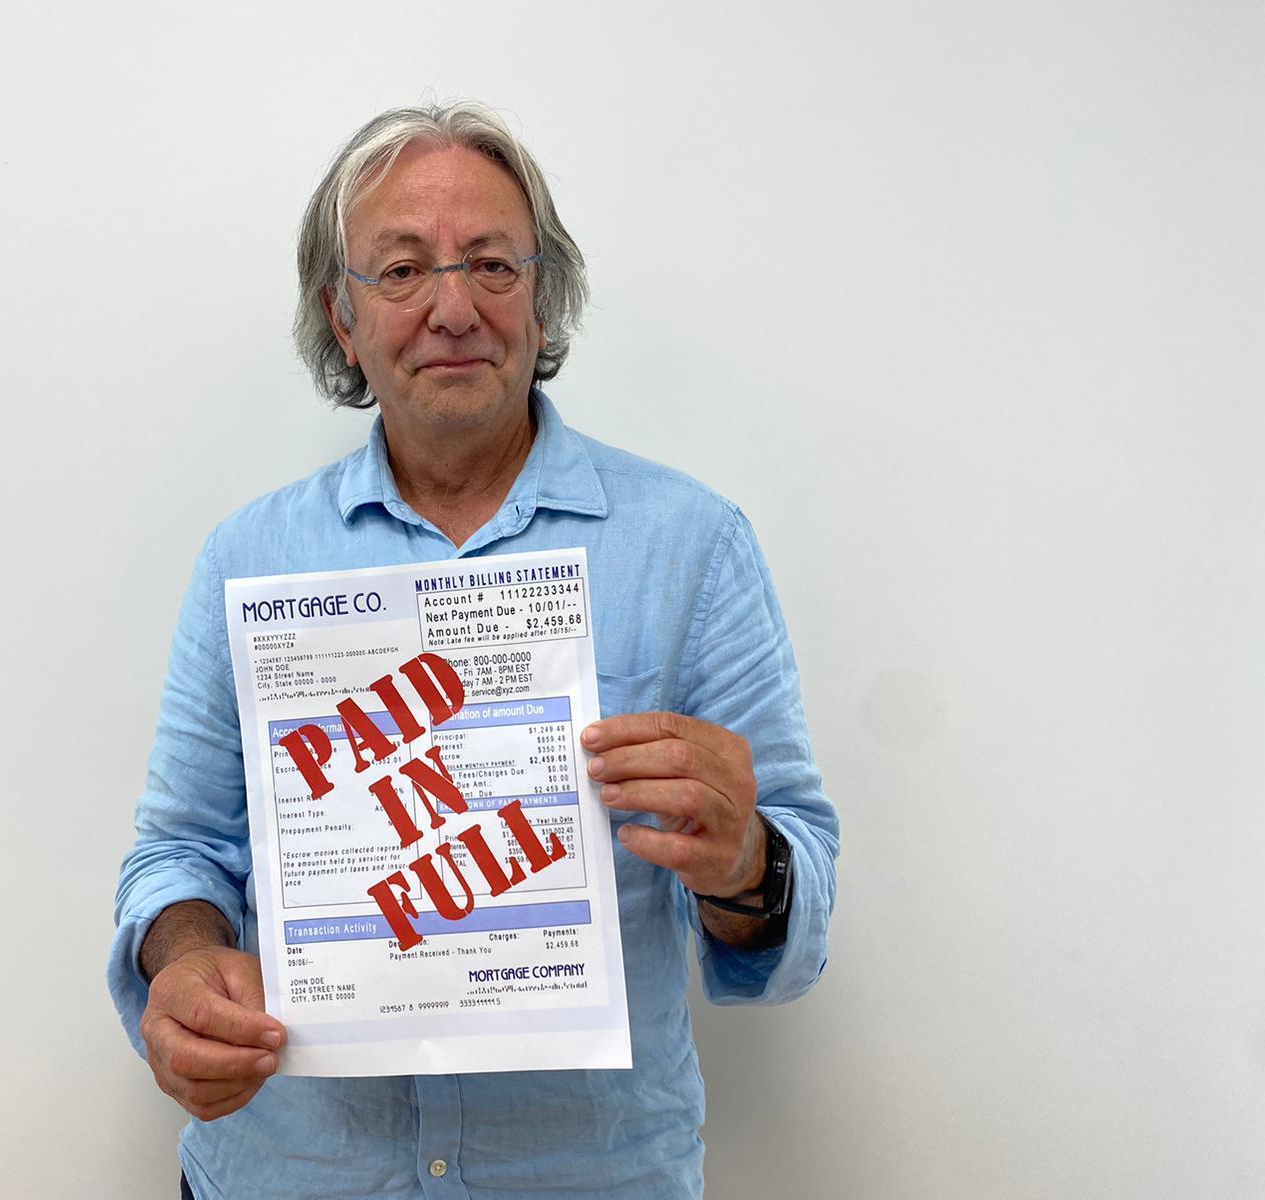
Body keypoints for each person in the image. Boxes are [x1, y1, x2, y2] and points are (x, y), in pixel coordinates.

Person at [108, 101, 840, 1200]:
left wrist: (746, 864)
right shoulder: (247, 560)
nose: (453, 309)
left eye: (492, 264)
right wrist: (184, 958)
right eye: (403, 271)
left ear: (543, 300)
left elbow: (797, 896)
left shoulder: (692, 546)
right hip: (293, 1174)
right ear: (342, 316)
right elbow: (178, 851)